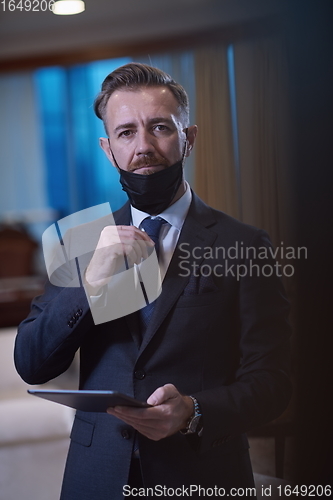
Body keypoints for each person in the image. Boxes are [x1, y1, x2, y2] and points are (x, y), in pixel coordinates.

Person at [14, 63, 292, 499]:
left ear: (189, 138)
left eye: (159, 127)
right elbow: (32, 362)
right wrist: (92, 282)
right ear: (108, 149)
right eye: (126, 133)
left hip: (202, 476)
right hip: (95, 478)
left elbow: (273, 381)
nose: (143, 146)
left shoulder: (246, 244)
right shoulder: (79, 241)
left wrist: (194, 411)